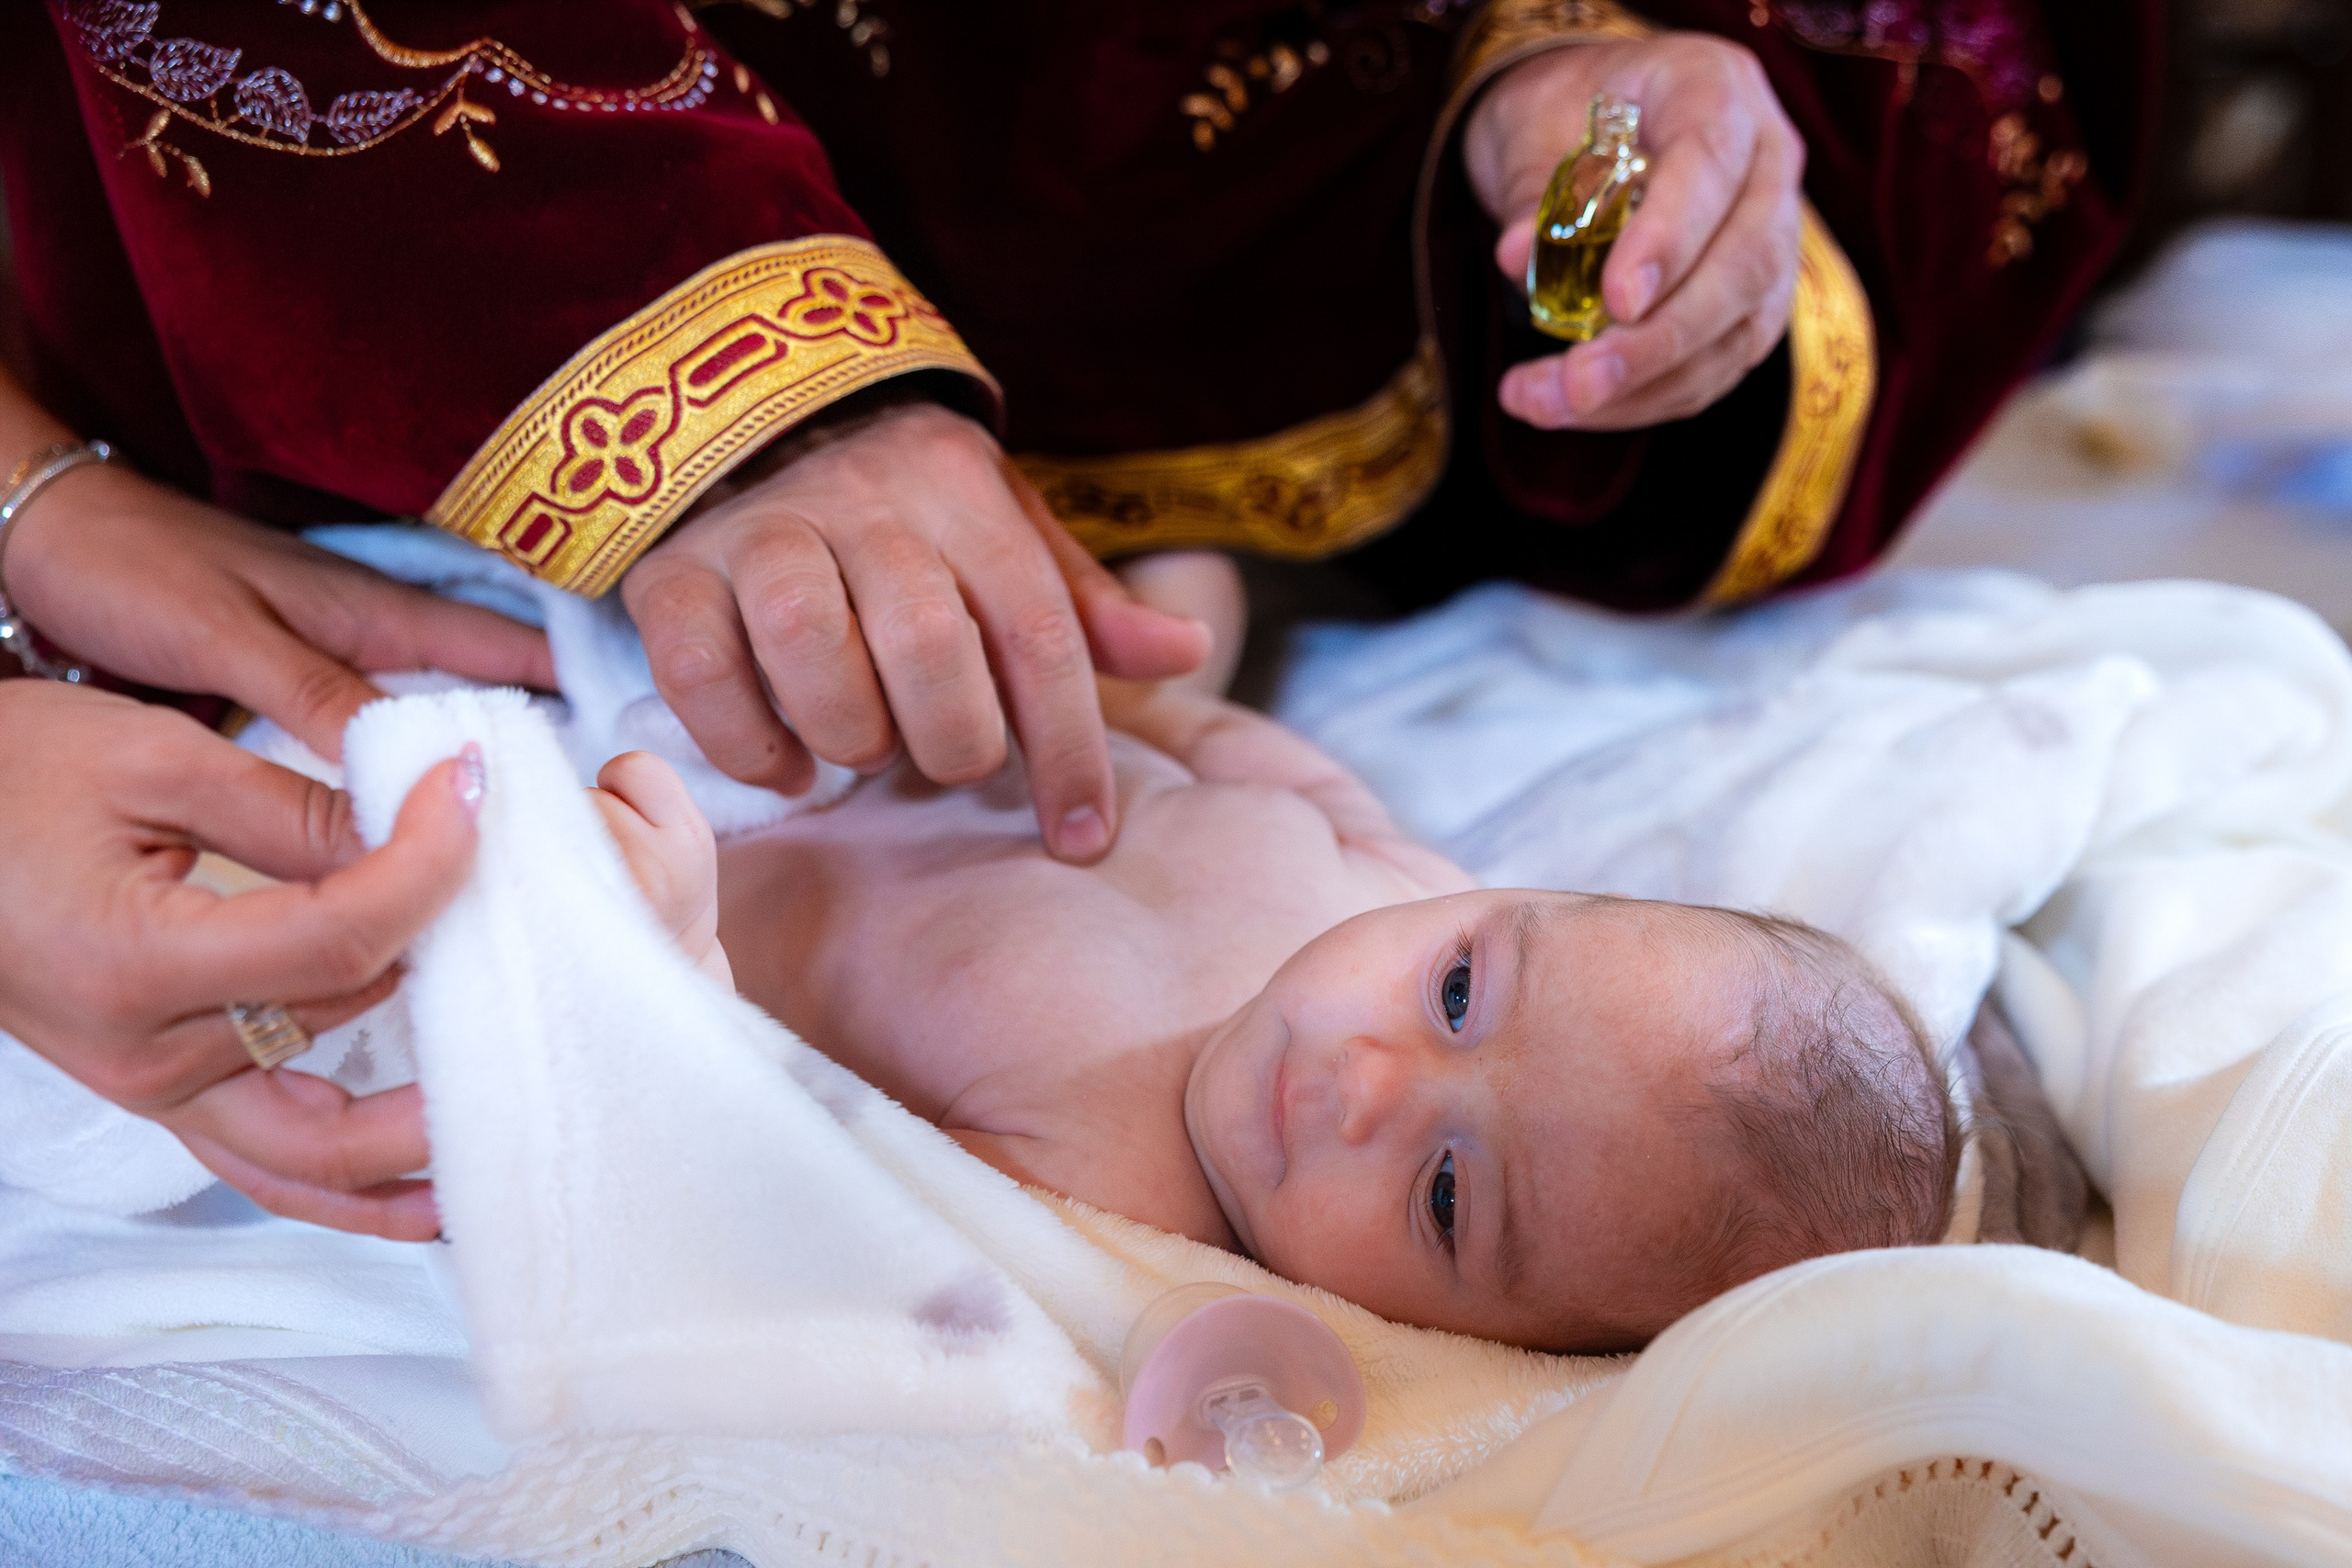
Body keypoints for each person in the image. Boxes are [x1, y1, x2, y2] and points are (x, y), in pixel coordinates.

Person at [589, 646, 1955, 1348]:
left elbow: (783, 1178)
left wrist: (672, 966)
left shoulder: (1112, 1198)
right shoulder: (1395, 872)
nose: (1365, 1081)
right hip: (790, 725)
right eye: (1463, 989)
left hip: (651, 888)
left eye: (1443, 1197)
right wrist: (1082, 662)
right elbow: (1211, 737)